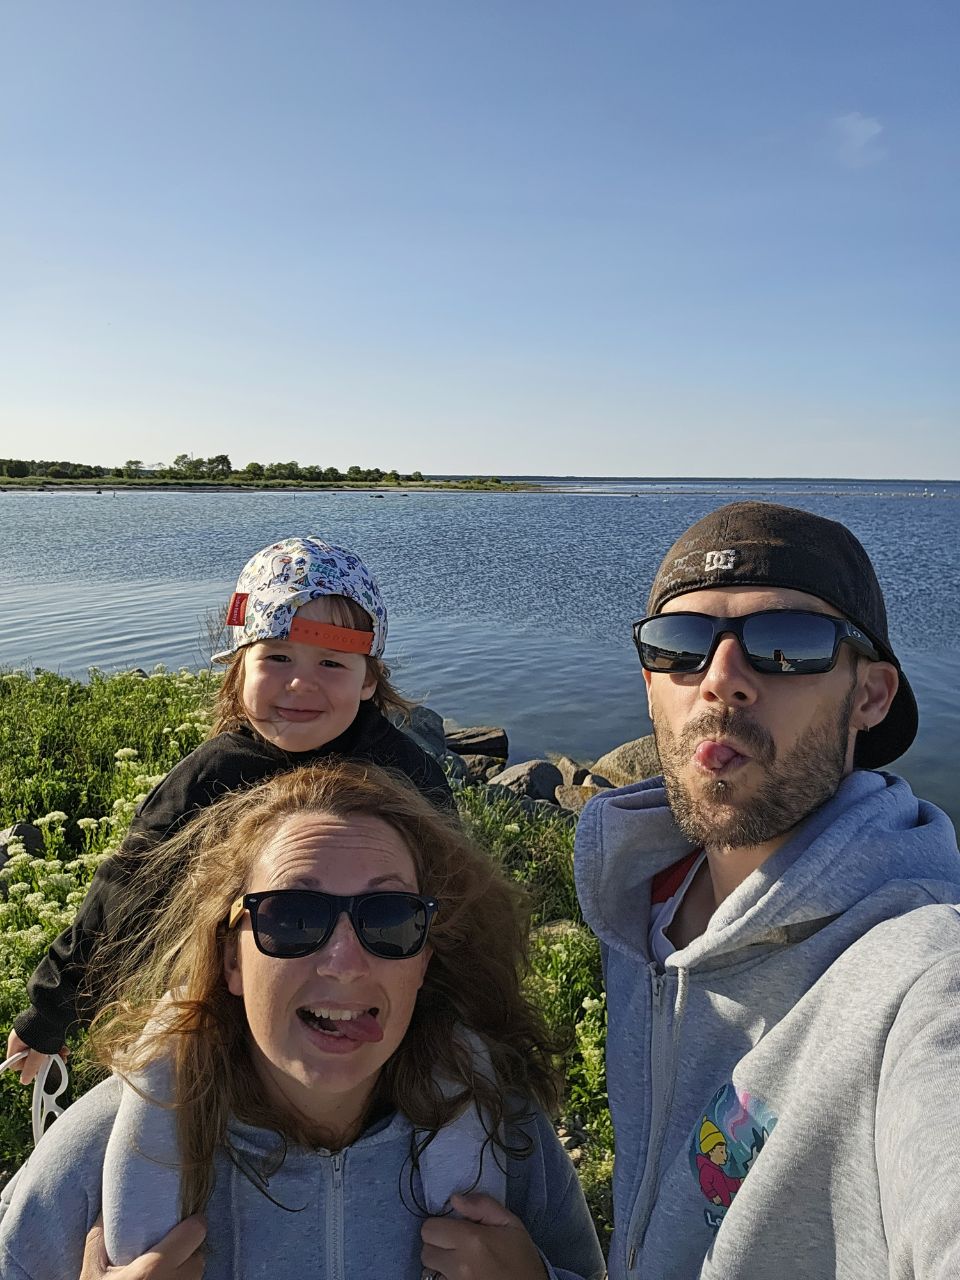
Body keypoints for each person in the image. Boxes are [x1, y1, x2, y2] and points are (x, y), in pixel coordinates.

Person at [0, 761, 605, 1280]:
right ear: (231, 959)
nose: (344, 963)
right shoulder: (99, 1150)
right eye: (292, 918)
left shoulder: (505, 1127)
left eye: (389, 919)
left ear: (424, 959)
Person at [574, 501, 960, 1279]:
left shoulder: (920, 970)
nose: (720, 681)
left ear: (871, 696)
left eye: (788, 643)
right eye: (681, 645)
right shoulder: (643, 908)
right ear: (649, 682)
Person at [6, 536, 451, 1087]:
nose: (300, 682)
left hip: (373, 1021)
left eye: (331, 662)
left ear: (368, 680)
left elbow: (455, 910)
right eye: (277, 657)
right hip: (228, 1015)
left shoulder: (407, 776)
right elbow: (126, 893)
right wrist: (51, 1013)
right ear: (239, 671)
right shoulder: (211, 776)